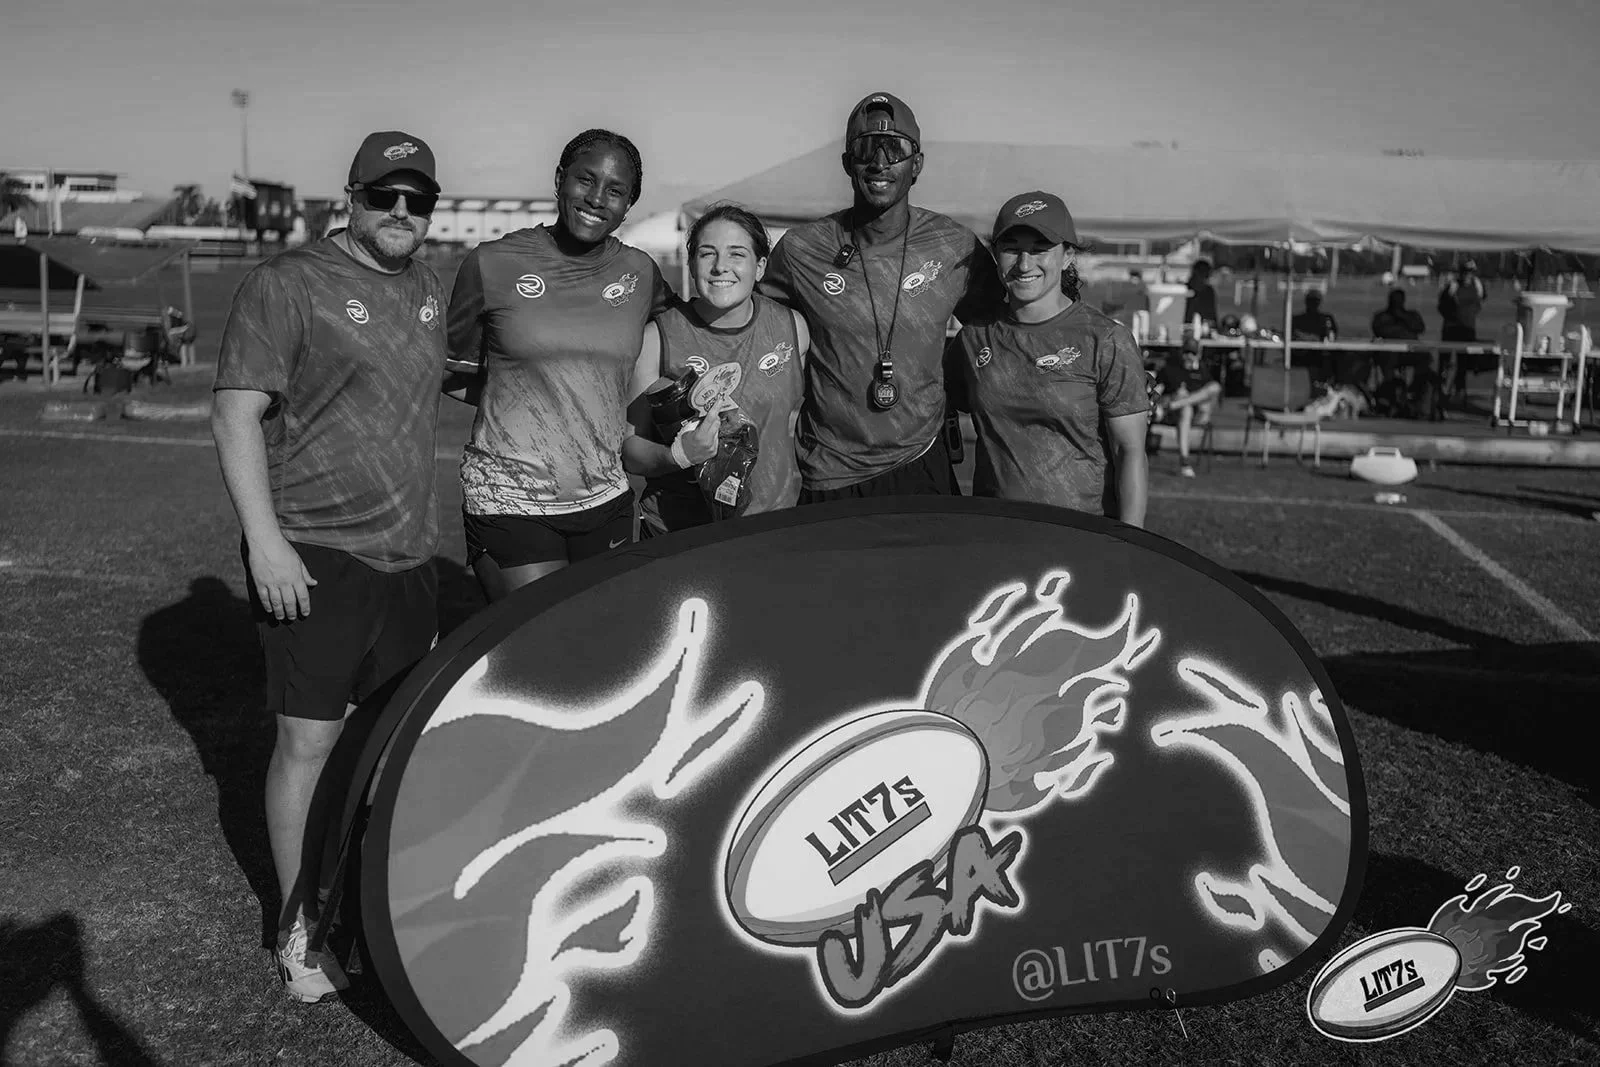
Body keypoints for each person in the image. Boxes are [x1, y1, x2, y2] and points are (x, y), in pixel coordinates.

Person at [211, 130, 448, 1002]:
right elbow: (236, 415)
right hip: (317, 552)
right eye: (383, 195)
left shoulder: (428, 288)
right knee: (307, 741)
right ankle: (298, 925)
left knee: (387, 745)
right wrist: (266, 543)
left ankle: (364, 903)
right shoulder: (289, 283)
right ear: (349, 196)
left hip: (413, 558)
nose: (399, 212)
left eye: (416, 199)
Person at [444, 129, 676, 601]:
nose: (596, 199)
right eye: (585, 180)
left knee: (601, 643)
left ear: (630, 204)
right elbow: (451, 371)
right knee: (544, 644)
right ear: (559, 180)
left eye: (616, 191)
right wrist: (525, 401)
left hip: (607, 494)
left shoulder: (641, 273)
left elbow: (679, 342)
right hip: (509, 495)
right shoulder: (492, 264)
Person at [758, 92, 1006, 501]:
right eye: (866, 148)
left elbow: (1005, 327)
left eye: (895, 149)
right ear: (846, 163)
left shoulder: (955, 248)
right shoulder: (802, 249)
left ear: (917, 165)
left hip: (921, 461)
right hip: (829, 469)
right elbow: (751, 328)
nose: (880, 162)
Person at [946, 191, 1149, 526]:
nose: (1025, 264)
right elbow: (932, 398)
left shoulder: (1106, 340)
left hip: (1082, 535)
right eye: (1012, 248)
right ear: (995, 254)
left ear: (1068, 255)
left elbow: (1130, 452)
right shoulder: (974, 338)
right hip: (995, 532)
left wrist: (1131, 544)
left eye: (1040, 249)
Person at [632, 203, 811, 536]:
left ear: (760, 267)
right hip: (679, 531)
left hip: (772, 524)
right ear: (691, 264)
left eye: (736, 254)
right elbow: (631, 452)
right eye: (707, 254)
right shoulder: (657, 337)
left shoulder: (792, 328)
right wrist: (679, 455)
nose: (720, 267)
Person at [1152, 336, 1223, 478]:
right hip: (1175, 415)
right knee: (1186, 409)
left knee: (1214, 387)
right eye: (1187, 352)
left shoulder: (1202, 371)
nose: (1189, 356)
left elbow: (1212, 393)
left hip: (1198, 414)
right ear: (1181, 352)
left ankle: (1177, 404)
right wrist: (1171, 398)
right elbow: (1156, 391)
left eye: (1193, 353)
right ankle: (1185, 461)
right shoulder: (1170, 369)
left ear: (1198, 354)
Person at [1184, 259, 1218, 329]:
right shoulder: (1183, 290)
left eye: (1206, 275)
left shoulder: (1208, 292)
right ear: (1194, 273)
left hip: (1203, 329)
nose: (1203, 279)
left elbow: (1212, 318)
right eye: (1202, 274)